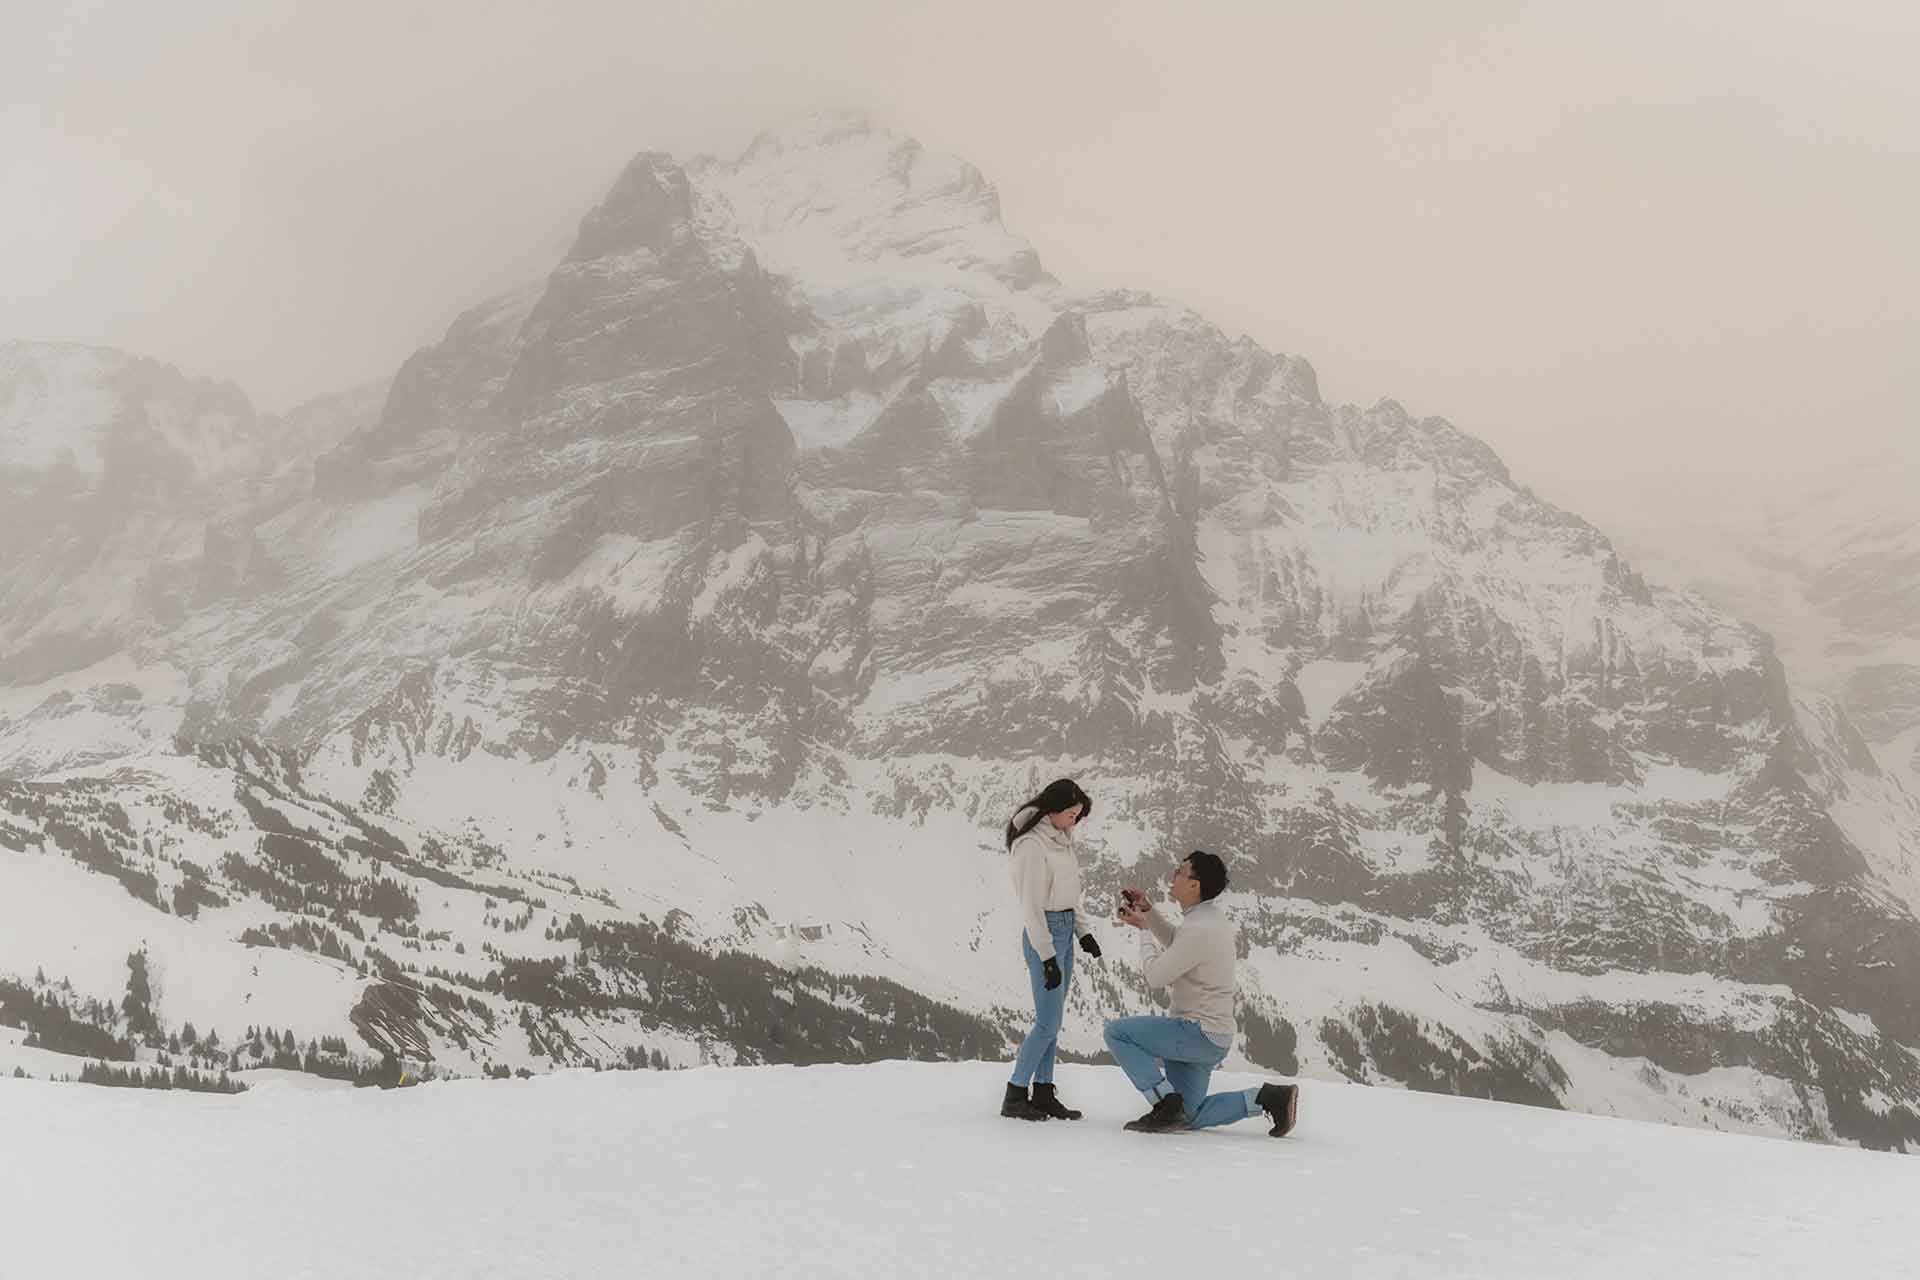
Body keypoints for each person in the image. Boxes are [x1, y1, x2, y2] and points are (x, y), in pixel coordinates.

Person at [1103, 851, 1299, 1136]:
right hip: (1210, 1036)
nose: (1173, 875)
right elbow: (1179, 943)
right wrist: (1147, 910)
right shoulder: (1206, 919)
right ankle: (1267, 1099)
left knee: (1117, 1033)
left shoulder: (1199, 928)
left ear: (1195, 885)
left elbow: (1156, 976)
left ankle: (1165, 1104)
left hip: (1196, 1032)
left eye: (1180, 872)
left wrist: (1145, 931)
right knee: (1186, 1117)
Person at [1001, 778, 1102, 1122]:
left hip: (1065, 928)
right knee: (1047, 1022)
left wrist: (1084, 932)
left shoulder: (1062, 840)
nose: (1076, 821)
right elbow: (1030, 905)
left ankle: (1043, 1092)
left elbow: (1070, 894)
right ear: (1055, 810)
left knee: (1053, 1022)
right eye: (1073, 814)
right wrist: (1046, 957)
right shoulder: (1031, 845)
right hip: (1044, 932)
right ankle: (1015, 1094)